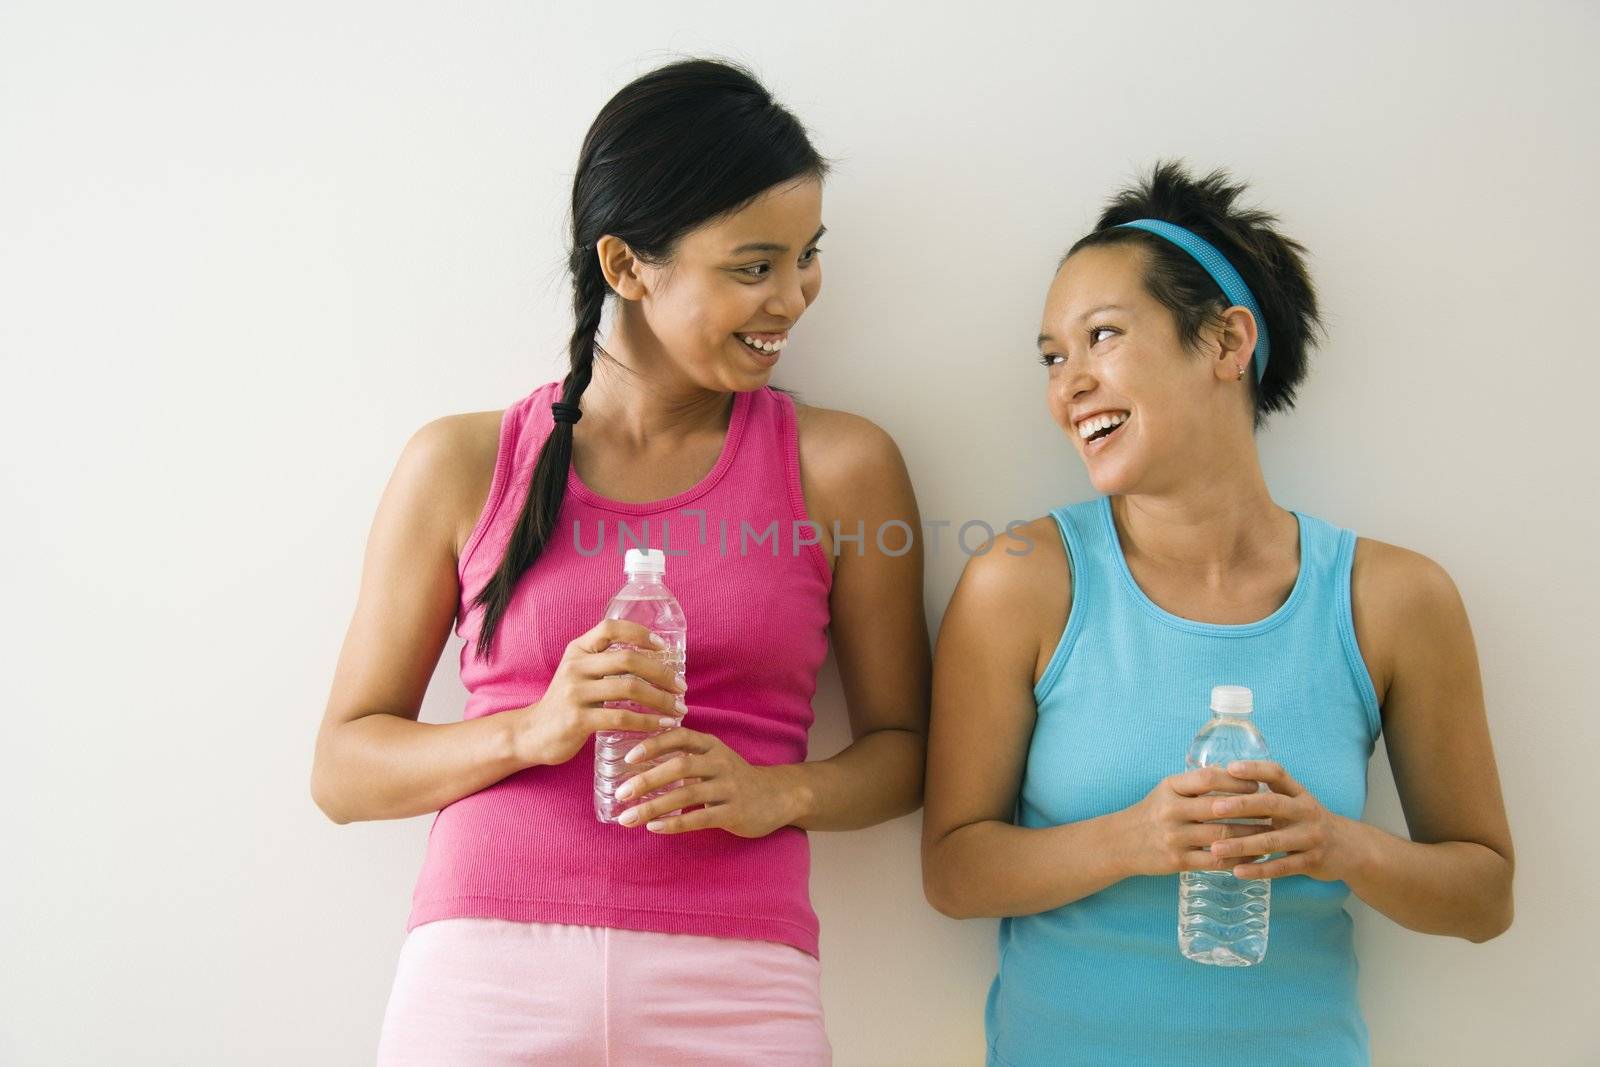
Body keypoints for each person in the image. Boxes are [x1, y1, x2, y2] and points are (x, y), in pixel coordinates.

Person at [310, 58, 930, 1066]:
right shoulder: (464, 462)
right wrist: (534, 728)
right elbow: (342, 768)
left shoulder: (840, 466)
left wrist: (782, 791)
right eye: (752, 264)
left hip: (736, 975)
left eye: (807, 255)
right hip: (485, 968)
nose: (794, 296)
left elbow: (903, 748)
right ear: (627, 265)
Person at [920, 160, 1514, 1066]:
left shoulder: (1393, 600)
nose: (1068, 384)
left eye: (1103, 336)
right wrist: (1133, 838)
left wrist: (1337, 844)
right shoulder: (1022, 581)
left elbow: (1484, 896)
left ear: (1228, 342)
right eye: (1052, 356)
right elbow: (955, 872)